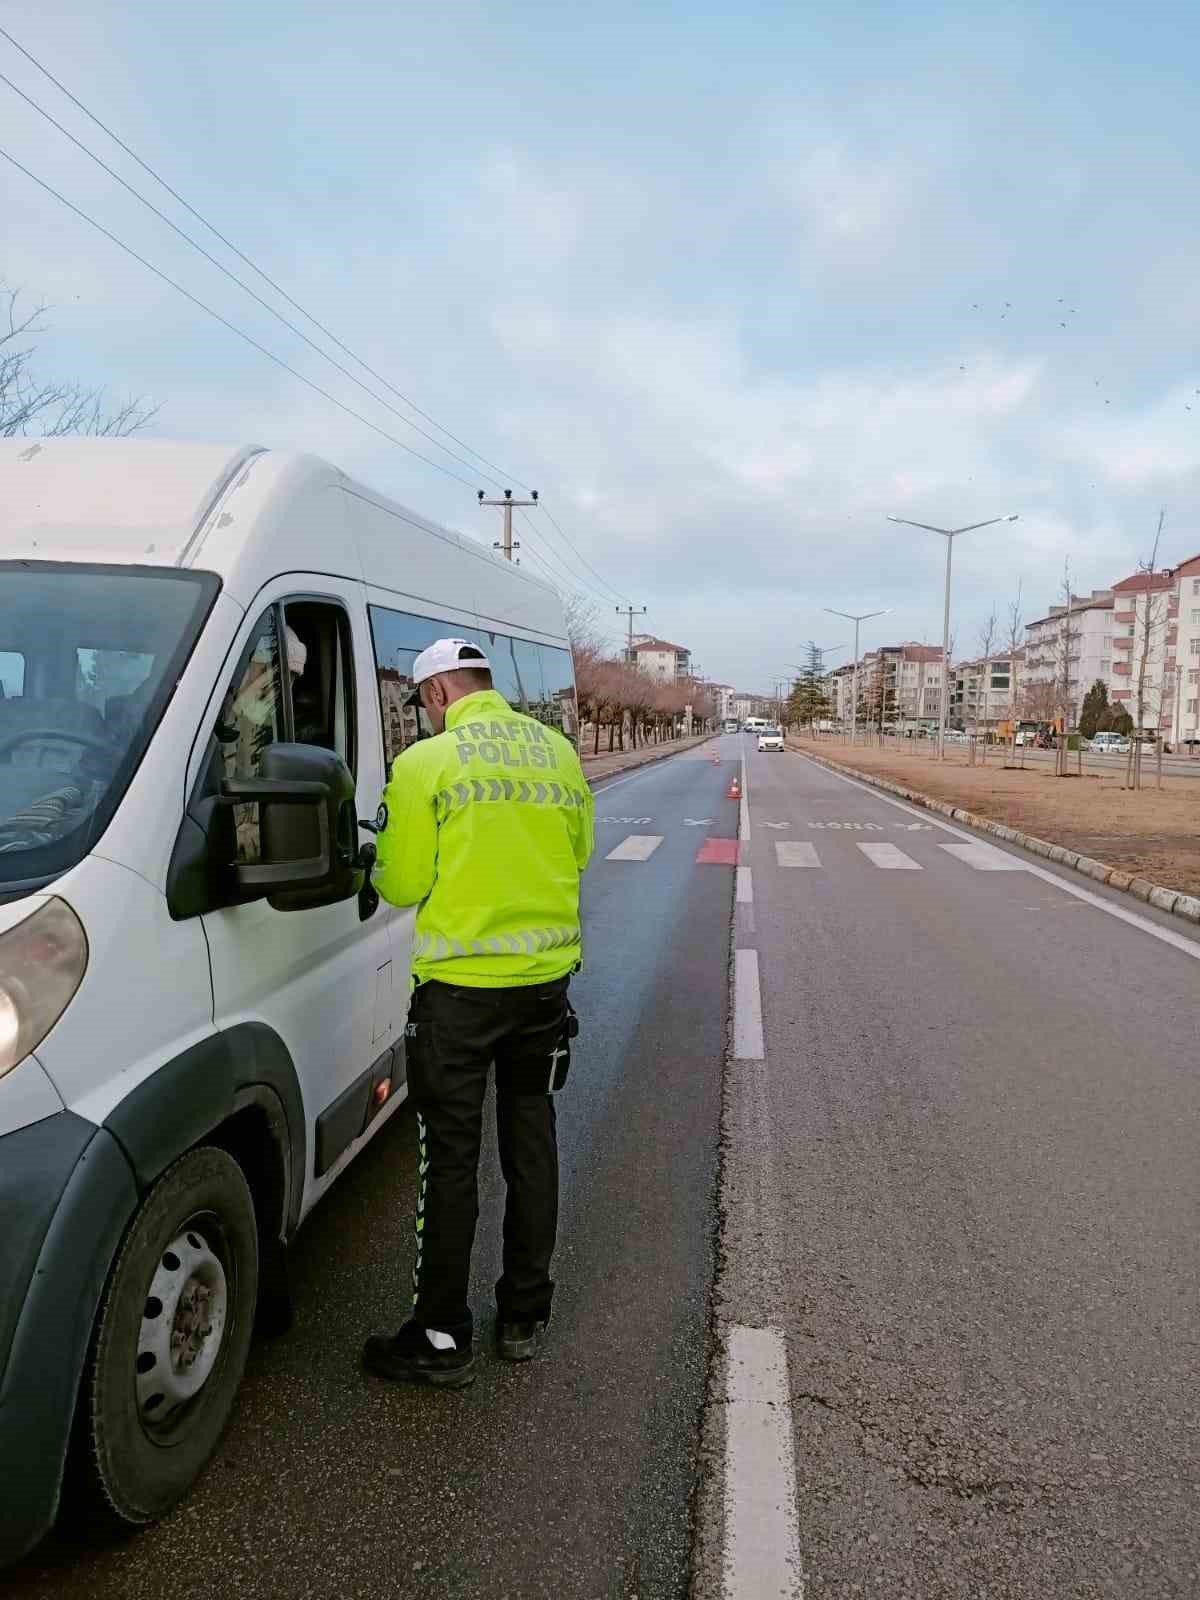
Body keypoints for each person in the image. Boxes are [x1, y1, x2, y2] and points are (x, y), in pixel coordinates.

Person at [362, 639, 594, 1389]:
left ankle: (440, 1337)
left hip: (458, 997)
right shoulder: (558, 753)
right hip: (544, 989)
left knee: (450, 1160)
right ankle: (523, 1316)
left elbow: (401, 883)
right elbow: (578, 853)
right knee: (532, 1146)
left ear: (436, 694)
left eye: (424, 705)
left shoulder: (426, 763)